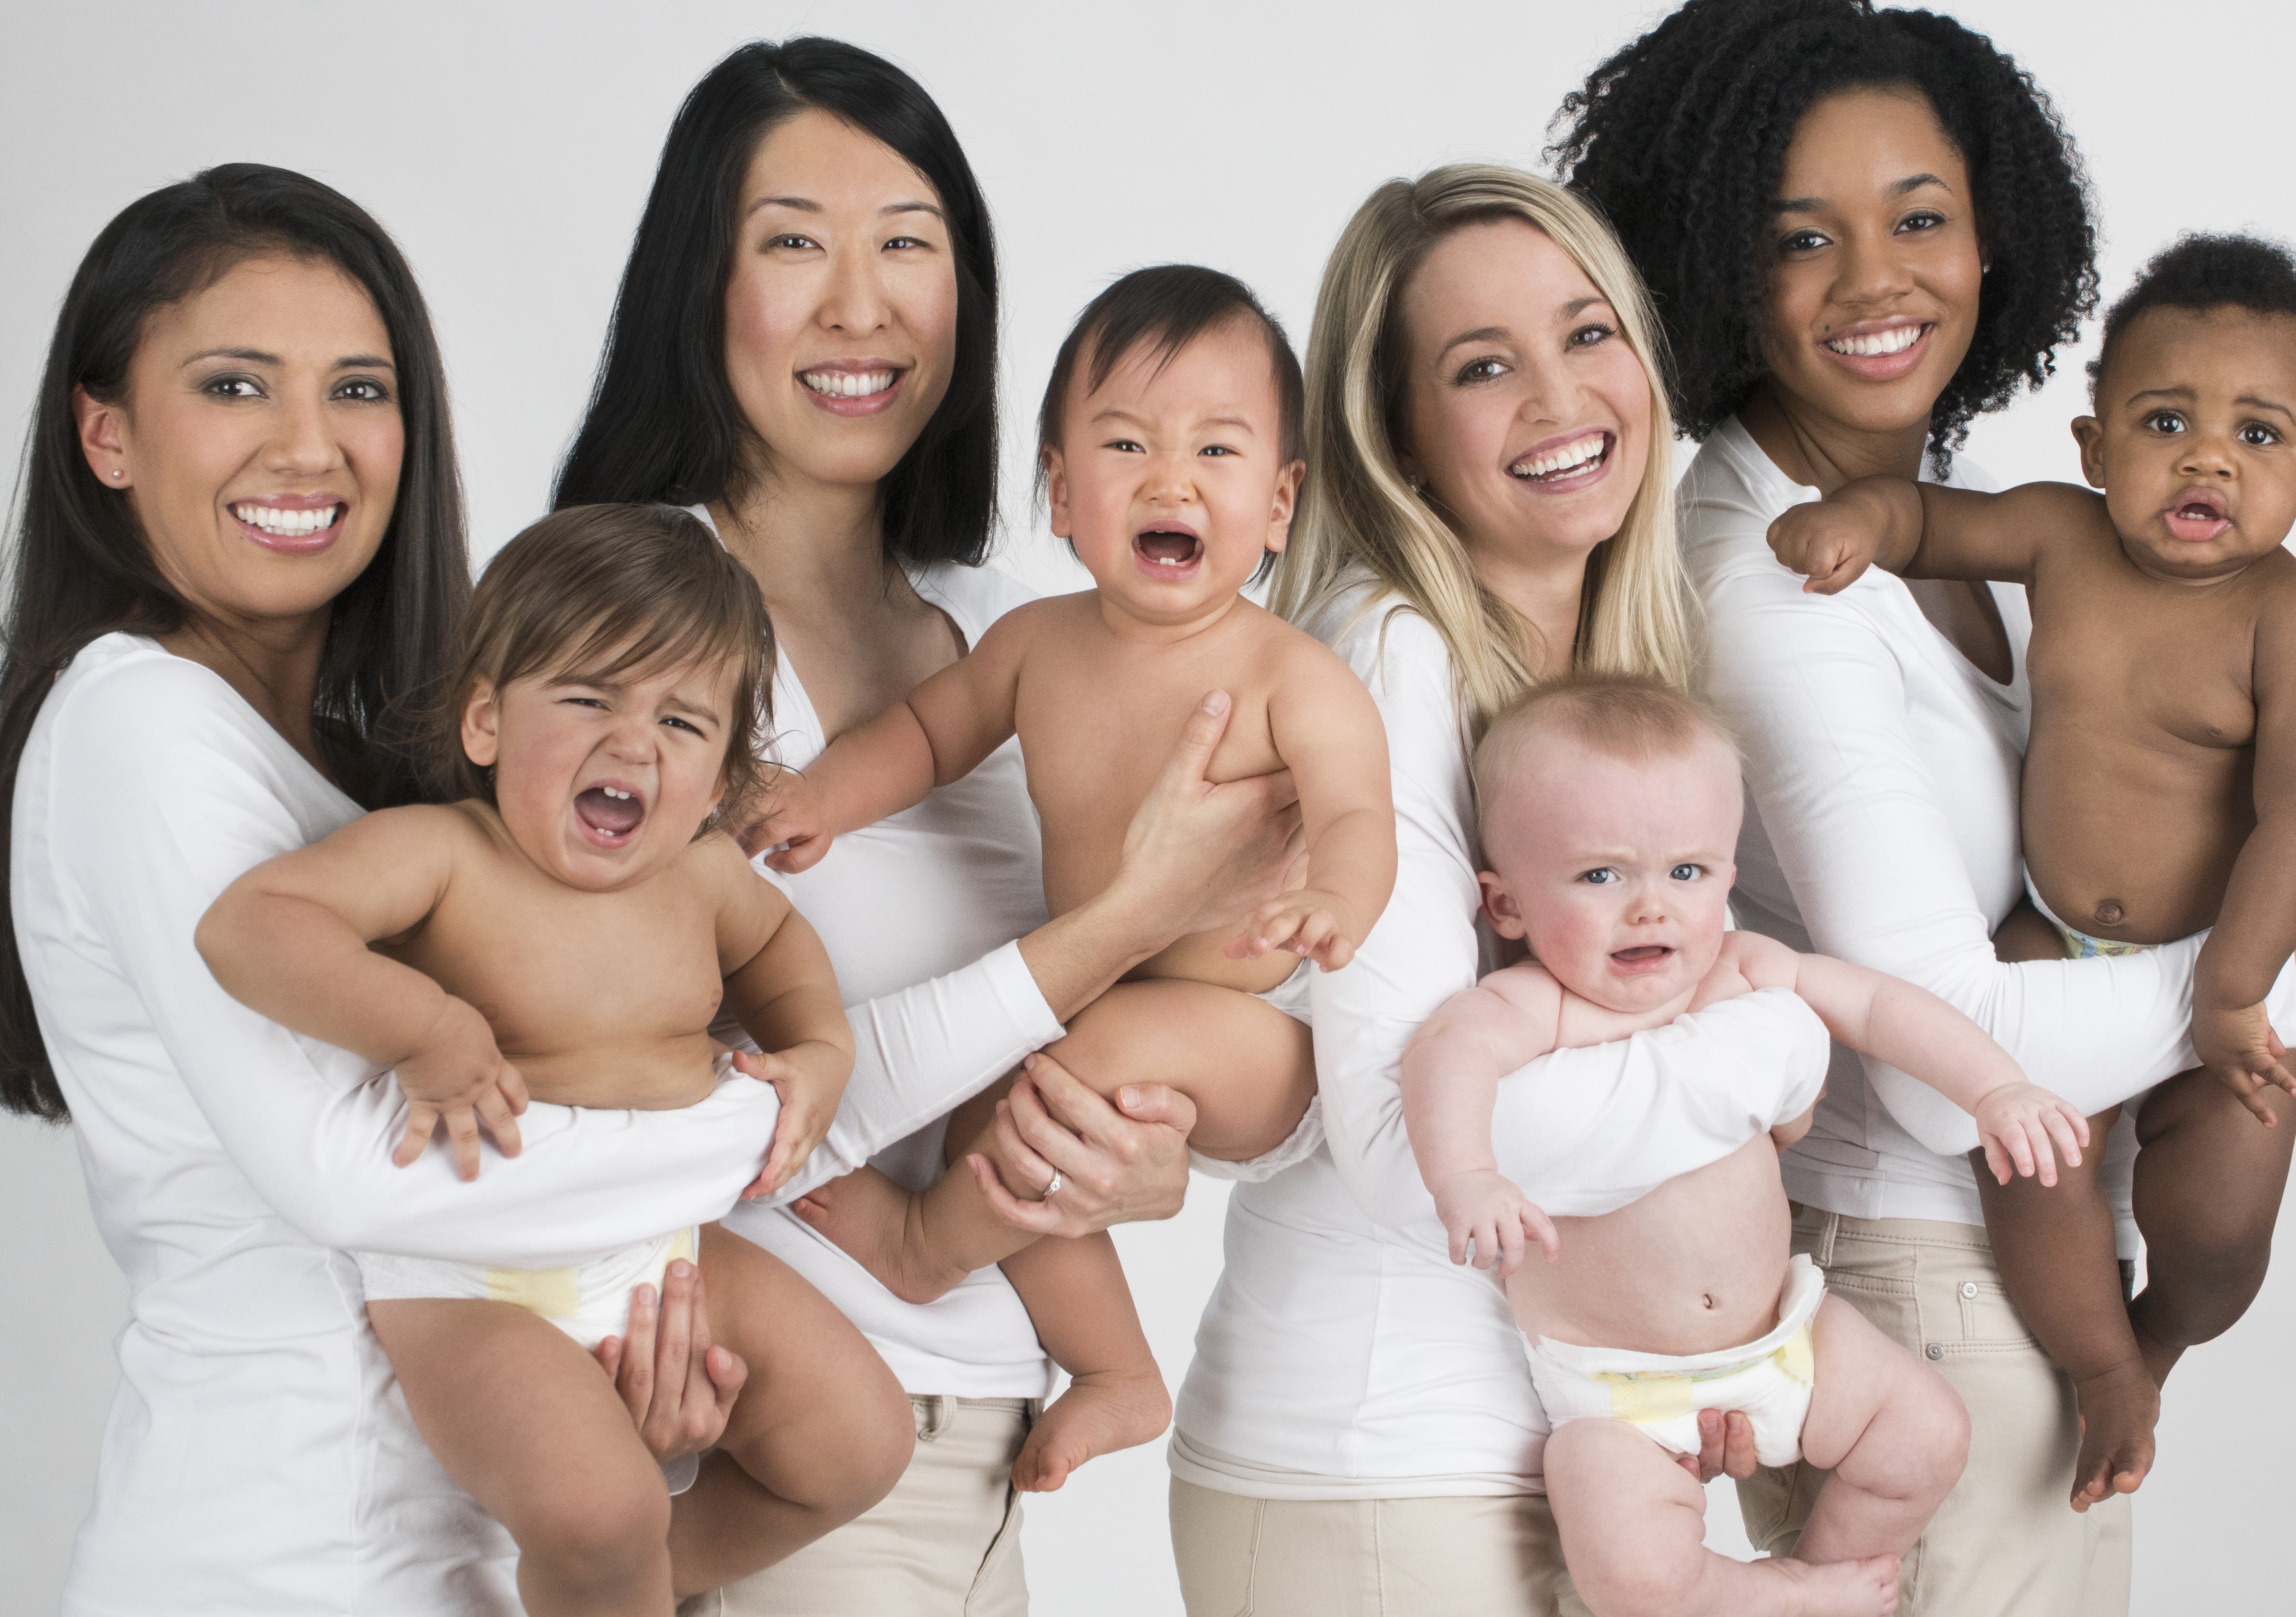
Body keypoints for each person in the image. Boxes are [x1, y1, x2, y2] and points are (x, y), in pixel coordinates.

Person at [1552, 2, 2296, 1608]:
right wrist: (2292, 956)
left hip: (2007, 1271)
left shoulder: (1990, 540)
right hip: (1927, 1277)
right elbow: (1940, 1060)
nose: (1879, 279)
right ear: (1718, 264)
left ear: (1998, 235)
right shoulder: (1778, 571)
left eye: (1921, 217)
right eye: (1802, 238)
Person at [0, 164, 828, 1616]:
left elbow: (595, 1085)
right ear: (106, 435)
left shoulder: (418, 782)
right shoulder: (137, 720)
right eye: (236, 387)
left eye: (359, 390)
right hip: (275, 1564)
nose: (309, 448)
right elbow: (356, 1173)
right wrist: (767, 1112)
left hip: (451, 1566)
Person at [555, 41, 1305, 1615]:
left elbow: (1227, 1029)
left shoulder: (1036, 627)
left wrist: (1137, 1152)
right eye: (791, 243)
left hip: (992, 1437)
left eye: (908, 241)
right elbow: (664, 1102)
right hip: (767, 1449)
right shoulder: (617, 635)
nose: (859, 303)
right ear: (700, 283)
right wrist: (1103, 931)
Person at [1165, 164, 1821, 1617]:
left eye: (1588, 335)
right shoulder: (1382, 655)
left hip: (1559, 1452)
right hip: (1380, 1464)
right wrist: (1763, 1053)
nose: (1558, 395)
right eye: (1481, 366)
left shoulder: (1622, 683)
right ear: (1394, 435)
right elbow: (1407, 1145)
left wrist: (1691, 1352)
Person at [196, 506, 926, 1613]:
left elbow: (781, 947)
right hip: (476, 1281)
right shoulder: (444, 855)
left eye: (682, 722)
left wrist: (820, 1049)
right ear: (485, 719)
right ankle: (606, 1567)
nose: (633, 743)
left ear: (724, 772)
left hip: (662, 1241)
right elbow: (250, 924)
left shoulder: (704, 876)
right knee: (600, 1509)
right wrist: (426, 1028)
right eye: (590, 697)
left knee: (861, 1439)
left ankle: (626, 1582)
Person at [1769, 234, 2296, 1508]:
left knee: (2218, 1231)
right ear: (2098, 446)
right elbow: (1933, 518)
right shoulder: (2060, 533)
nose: (2207, 455)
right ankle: (2104, 1363)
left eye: (2258, 436)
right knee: (2033, 1169)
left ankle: (2164, 1331)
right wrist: (1856, 521)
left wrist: (2233, 986)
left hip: (2229, 947)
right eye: (2166, 420)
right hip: (2048, 934)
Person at [765, 265, 1395, 1491]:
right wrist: (815, 801)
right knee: (996, 1103)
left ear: (1278, 506)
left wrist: (1338, 900)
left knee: (1044, 1079)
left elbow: (1359, 810)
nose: (1171, 481)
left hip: (1247, 1025)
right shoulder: (1032, 645)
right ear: (1060, 491)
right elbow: (924, 737)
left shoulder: (1290, 675)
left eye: (1216, 450)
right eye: (1126, 445)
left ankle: (916, 1249)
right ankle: (1113, 1370)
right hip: (1109, 996)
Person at [1403, 678, 2094, 1616]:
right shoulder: (1537, 1007)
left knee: (1925, 1433)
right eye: (1600, 875)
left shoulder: (1740, 966)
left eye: (1686, 871)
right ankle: (1767, 1594)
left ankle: (1825, 1571)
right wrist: (1466, 1175)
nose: (1649, 906)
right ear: (1505, 904)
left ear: (1728, 880)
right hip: (1620, 1390)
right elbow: (1449, 1053)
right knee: (1633, 1574)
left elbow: (1878, 1004)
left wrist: (1991, 1085)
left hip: (1788, 1334)